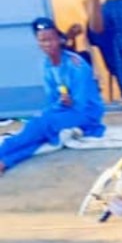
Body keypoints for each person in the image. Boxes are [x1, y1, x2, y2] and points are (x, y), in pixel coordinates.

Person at [0, 18, 105, 175]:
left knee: (41, 125)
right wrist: (57, 105)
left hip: (86, 113)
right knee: (38, 130)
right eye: (43, 41)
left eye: (51, 39)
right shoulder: (46, 65)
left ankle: (4, 151)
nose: (47, 44)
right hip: (61, 112)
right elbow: (51, 99)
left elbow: (81, 104)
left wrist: (63, 104)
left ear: (59, 40)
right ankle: (5, 162)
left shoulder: (76, 65)